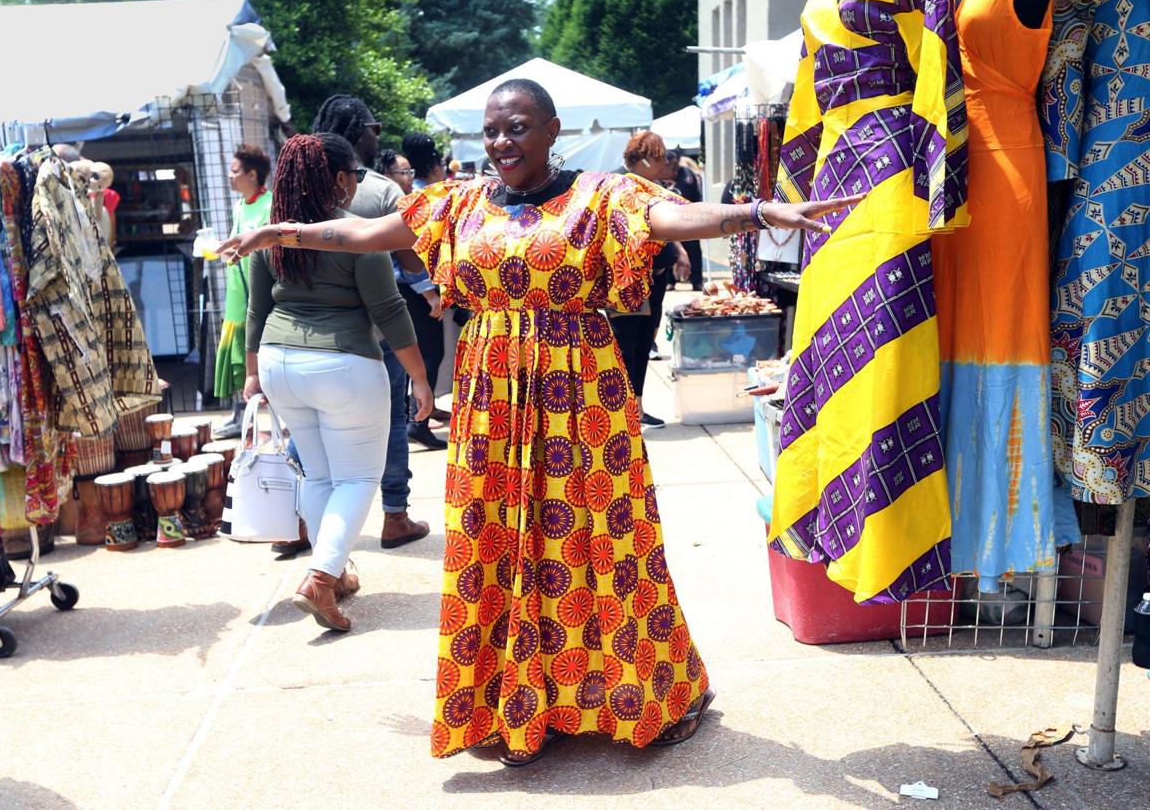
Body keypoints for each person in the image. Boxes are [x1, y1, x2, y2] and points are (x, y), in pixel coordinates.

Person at [222, 79, 858, 764]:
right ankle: (518, 704)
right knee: (501, 545)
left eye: (517, 127)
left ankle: (650, 695)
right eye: (492, 131)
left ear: (554, 130)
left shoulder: (601, 196)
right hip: (492, 405)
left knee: (608, 546)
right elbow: (362, 233)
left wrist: (759, 213)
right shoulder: (458, 203)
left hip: (583, 403)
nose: (502, 142)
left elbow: (673, 220)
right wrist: (275, 230)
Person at [243, 133, 434, 632]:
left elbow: (257, 311)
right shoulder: (355, 233)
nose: (357, 181)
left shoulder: (271, 235)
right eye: (353, 172)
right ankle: (321, 578)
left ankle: (336, 570)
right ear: (336, 180)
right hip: (342, 364)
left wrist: (250, 375)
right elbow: (389, 310)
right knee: (356, 479)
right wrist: (420, 378)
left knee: (320, 476)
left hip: (279, 364)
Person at [311, 95, 434, 545]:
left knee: (314, 427)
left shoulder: (296, 189)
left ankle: (302, 521)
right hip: (377, 330)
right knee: (392, 420)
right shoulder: (382, 190)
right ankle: (394, 515)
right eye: (374, 128)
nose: (376, 136)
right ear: (357, 130)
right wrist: (429, 288)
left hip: (312, 335)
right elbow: (411, 253)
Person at [610, 132, 691, 428]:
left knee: (644, 342)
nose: (664, 163)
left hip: (655, 278)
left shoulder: (653, 186)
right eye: (659, 158)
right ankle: (625, 412)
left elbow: (667, 226)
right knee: (627, 345)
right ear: (644, 159)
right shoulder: (619, 185)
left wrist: (679, 250)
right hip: (630, 282)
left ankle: (638, 407)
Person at [375, 147, 450, 450]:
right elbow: (408, 259)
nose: (408, 178)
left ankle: (417, 417)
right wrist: (431, 295)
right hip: (411, 292)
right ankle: (418, 420)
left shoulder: (406, 201)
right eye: (402, 173)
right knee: (429, 354)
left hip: (411, 291)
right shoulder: (393, 204)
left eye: (409, 172)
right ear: (387, 175)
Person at [214, 144, 273, 440]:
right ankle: (243, 420)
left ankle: (264, 421)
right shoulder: (240, 206)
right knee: (240, 361)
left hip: (260, 294)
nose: (229, 176)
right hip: (238, 294)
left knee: (261, 358)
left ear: (252, 175)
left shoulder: (269, 205)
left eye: (235, 171)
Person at [667, 150, 705, 291]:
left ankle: (696, 281)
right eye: (671, 167)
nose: (674, 170)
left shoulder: (687, 174)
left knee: (694, 251)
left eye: (676, 166)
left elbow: (697, 195)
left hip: (688, 219)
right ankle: (670, 281)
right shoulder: (660, 178)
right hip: (669, 221)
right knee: (671, 251)